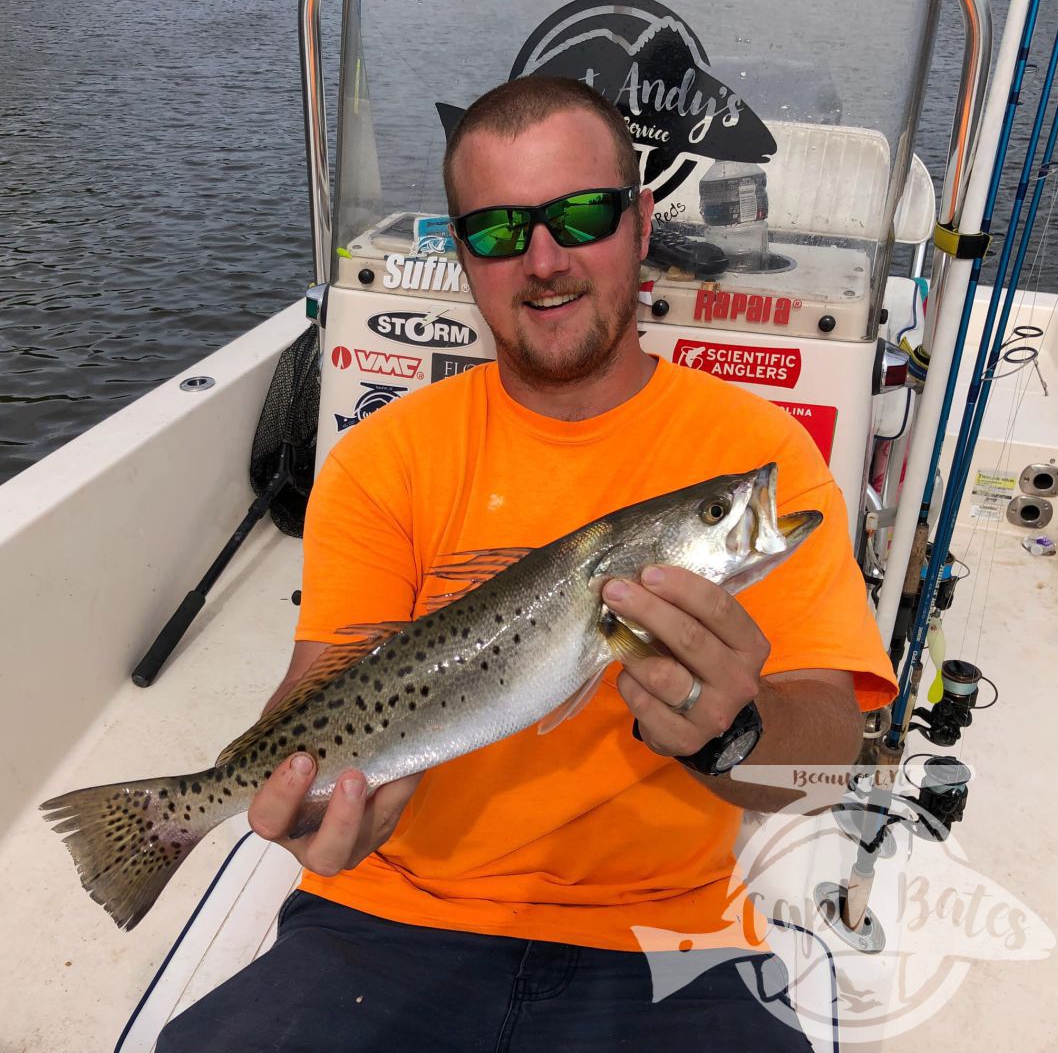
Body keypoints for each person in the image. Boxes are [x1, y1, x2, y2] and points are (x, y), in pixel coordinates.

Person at [158, 76, 896, 1051]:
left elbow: (824, 761)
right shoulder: (385, 454)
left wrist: (734, 729)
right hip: (386, 914)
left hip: (668, 929)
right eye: (501, 231)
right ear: (464, 255)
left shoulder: (754, 449)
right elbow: (320, 677)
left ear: (639, 227)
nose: (543, 259)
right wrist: (288, 797)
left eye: (580, 214)